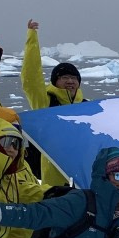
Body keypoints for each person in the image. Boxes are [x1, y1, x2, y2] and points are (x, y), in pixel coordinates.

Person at [21, 18, 85, 186]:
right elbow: (31, 79)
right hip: (53, 184)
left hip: (83, 181)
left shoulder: (87, 107)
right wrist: (32, 38)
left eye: (73, 78)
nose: (70, 81)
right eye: (65, 77)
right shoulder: (46, 104)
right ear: (55, 82)